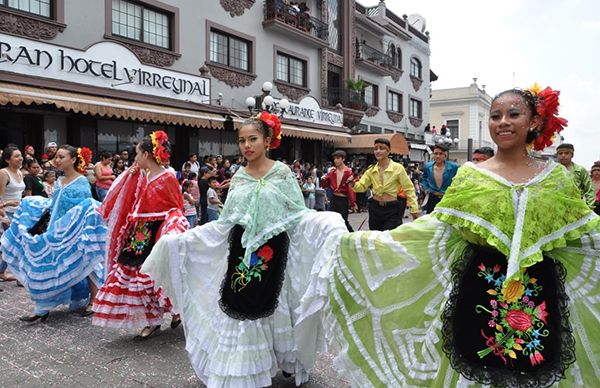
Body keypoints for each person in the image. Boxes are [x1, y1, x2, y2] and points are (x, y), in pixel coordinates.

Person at [327, 85, 600, 386]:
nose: (503, 122)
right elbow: (436, 230)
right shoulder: (472, 174)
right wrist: (363, 244)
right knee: (474, 365)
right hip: (479, 286)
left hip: (539, 293)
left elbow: (586, 233)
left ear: (533, 121)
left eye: (513, 114)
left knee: (534, 369)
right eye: (495, 116)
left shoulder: (556, 178)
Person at [142, 112, 347, 387]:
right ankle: (245, 370)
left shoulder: (282, 173)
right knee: (240, 305)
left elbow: (298, 214)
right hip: (241, 250)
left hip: (275, 250)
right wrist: (183, 240)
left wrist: (328, 224)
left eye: (253, 139)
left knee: (277, 306)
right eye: (242, 140)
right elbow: (226, 222)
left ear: (267, 141)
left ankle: (285, 360)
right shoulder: (238, 176)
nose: (247, 145)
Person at [92, 131, 187, 339]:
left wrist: (170, 230)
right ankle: (152, 319)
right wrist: (131, 174)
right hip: (140, 232)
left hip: (159, 232)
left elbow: (176, 208)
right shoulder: (143, 176)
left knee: (156, 276)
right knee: (135, 276)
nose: (135, 158)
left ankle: (175, 311)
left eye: (137, 154)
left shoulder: (168, 176)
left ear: (146, 154)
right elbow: (123, 196)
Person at [1, 145, 106, 321]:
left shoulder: (81, 182)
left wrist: (71, 229)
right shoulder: (60, 180)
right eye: (56, 157)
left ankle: (95, 300)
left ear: (73, 160)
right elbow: (54, 205)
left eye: (61, 157)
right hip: (54, 228)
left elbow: (84, 209)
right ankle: (42, 306)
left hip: (73, 231)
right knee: (48, 263)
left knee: (87, 263)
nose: (57, 160)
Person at [350, 138, 420, 230]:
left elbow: (409, 188)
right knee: (375, 238)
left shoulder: (398, 168)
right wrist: (352, 184)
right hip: (375, 208)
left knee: (389, 239)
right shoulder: (371, 170)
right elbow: (361, 187)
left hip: (392, 208)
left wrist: (414, 208)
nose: (378, 151)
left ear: (388, 151)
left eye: (382, 148)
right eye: (376, 149)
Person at [0, 145, 25, 282]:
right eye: (16, 156)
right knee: (16, 244)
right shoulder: (3, 173)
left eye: (20, 156)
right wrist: (3, 215)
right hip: (7, 213)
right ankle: (20, 276)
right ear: (8, 160)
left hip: (19, 212)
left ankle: (1, 271)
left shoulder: (20, 172)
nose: (20, 158)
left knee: (12, 245)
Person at [321, 150, 356, 231]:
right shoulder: (332, 172)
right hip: (334, 198)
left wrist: (353, 203)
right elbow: (325, 186)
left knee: (343, 221)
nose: (335, 160)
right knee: (331, 220)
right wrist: (323, 179)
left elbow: (350, 189)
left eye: (337, 158)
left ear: (343, 159)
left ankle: (351, 236)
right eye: (334, 158)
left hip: (343, 200)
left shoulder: (348, 172)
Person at [421, 144, 459, 213]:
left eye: (441, 153)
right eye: (436, 153)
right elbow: (424, 178)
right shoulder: (428, 166)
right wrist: (425, 188)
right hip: (432, 198)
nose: (438, 156)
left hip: (447, 198)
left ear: (446, 154)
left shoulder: (454, 167)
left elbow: (459, 180)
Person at [556, 143, 596, 209]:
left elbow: (589, 190)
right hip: (557, 206)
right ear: (557, 155)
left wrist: (589, 207)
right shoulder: (552, 170)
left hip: (577, 207)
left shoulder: (580, 170)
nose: (563, 155)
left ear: (572, 155)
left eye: (566, 153)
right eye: (560, 153)